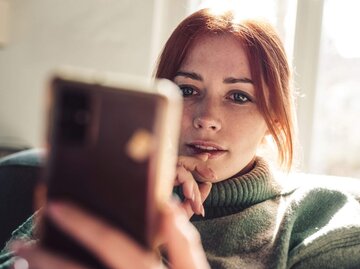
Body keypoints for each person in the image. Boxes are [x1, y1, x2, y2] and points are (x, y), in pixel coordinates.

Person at [1, 7, 360, 269]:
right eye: (187, 90)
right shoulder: (108, 189)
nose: (207, 119)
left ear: (274, 119)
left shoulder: (322, 218)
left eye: (238, 96)